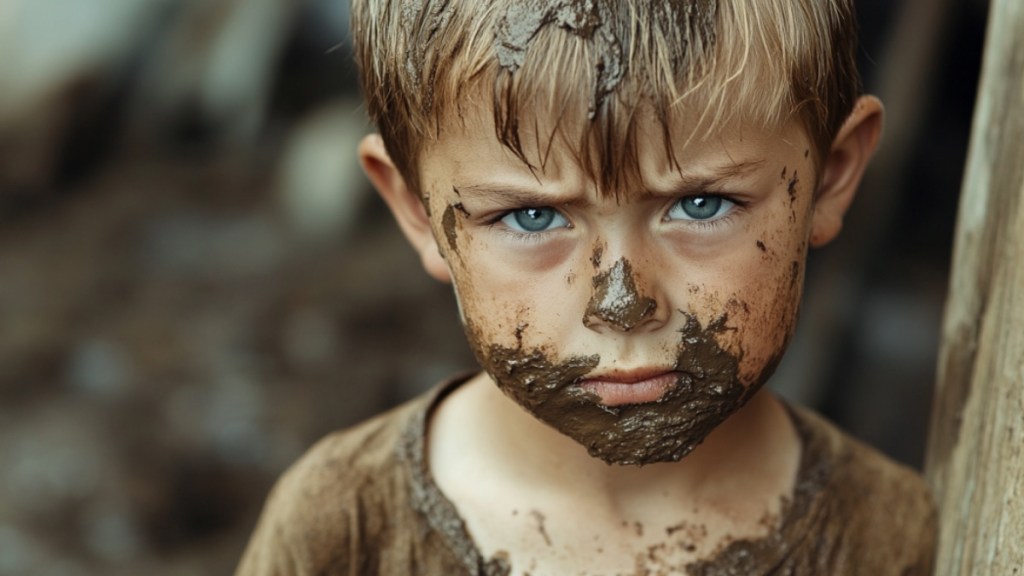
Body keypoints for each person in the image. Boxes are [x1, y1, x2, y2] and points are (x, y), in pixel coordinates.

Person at [236, 1, 937, 574]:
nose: (622, 304)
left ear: (833, 174)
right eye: (532, 216)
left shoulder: (888, 542)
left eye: (700, 205)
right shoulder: (342, 529)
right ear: (418, 211)